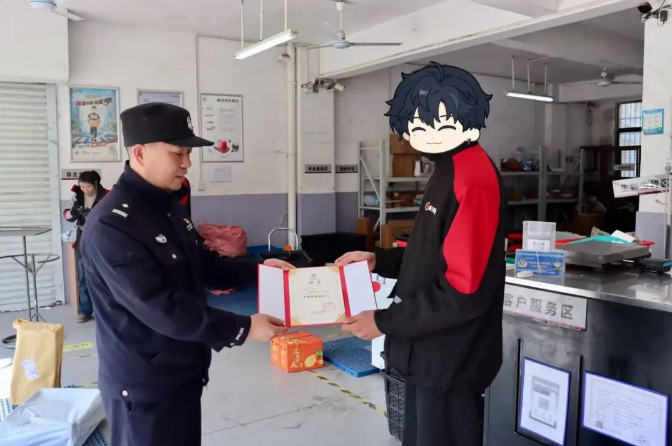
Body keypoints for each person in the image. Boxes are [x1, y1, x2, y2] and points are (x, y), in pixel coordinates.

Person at [79, 102, 293, 446]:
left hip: (181, 373)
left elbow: (205, 265)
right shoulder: (112, 225)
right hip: (144, 387)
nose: (187, 163)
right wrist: (244, 327)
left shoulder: (168, 208)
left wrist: (261, 271)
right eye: (177, 153)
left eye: (188, 153)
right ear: (140, 153)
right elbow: (161, 307)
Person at [336, 63, 505, 446]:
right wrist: (380, 259)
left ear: (469, 123)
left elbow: (462, 291)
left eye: (439, 124)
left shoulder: (472, 180)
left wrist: (385, 321)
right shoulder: (447, 167)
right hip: (427, 352)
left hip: (449, 359)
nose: (426, 134)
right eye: (418, 124)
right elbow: (433, 256)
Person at [63, 170, 108, 323]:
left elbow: (112, 217)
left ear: (96, 183)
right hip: (83, 237)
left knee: (104, 275)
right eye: (82, 187)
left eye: (88, 187)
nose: (85, 190)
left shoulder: (107, 196)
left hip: (101, 238)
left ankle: (106, 311)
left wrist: (93, 216)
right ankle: (85, 311)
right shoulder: (77, 196)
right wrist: (74, 212)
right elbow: (67, 216)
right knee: (83, 276)